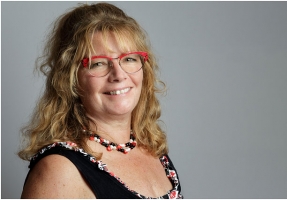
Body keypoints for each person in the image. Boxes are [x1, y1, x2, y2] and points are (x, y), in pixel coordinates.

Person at [18, 2, 183, 199]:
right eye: (98, 63)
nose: (119, 75)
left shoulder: (153, 151)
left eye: (129, 59)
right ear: (70, 79)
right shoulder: (59, 169)